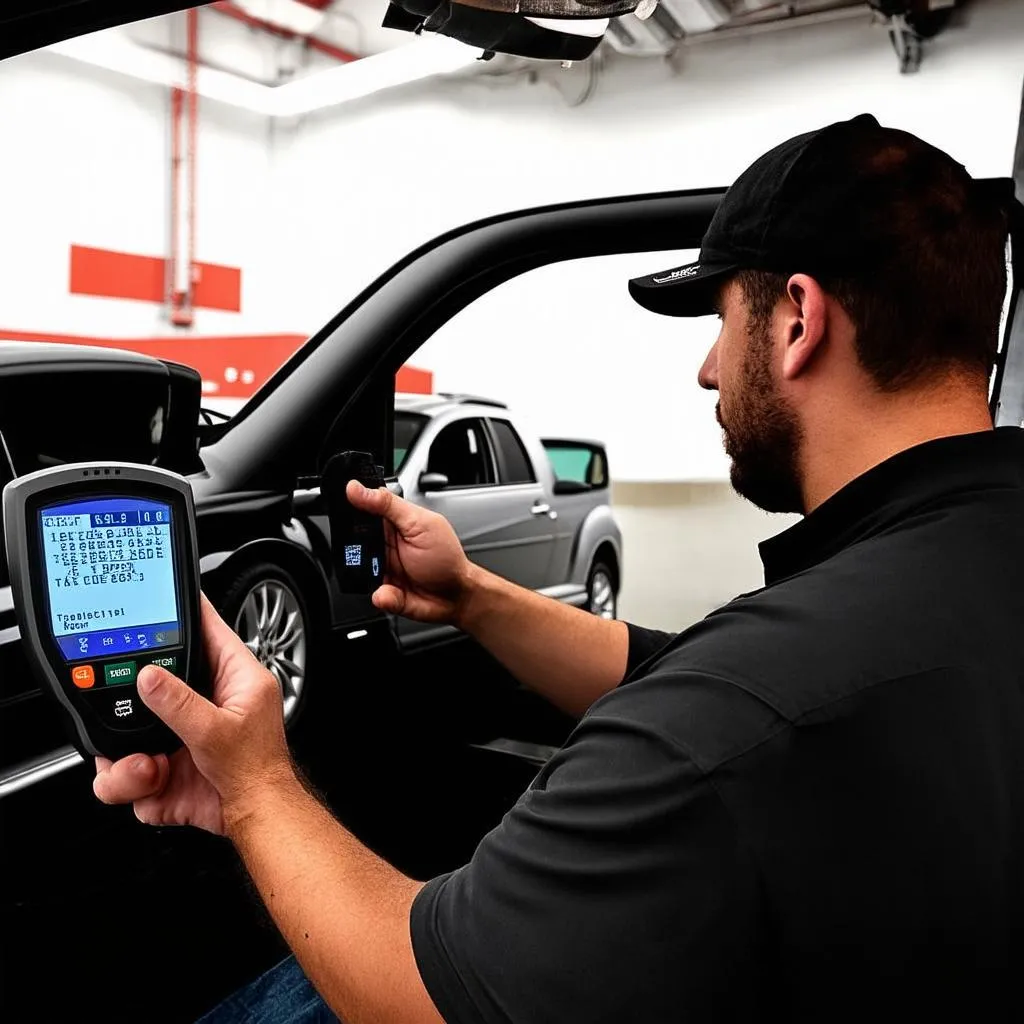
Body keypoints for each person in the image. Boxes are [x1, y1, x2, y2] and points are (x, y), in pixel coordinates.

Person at [94, 112, 1020, 1023]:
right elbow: (677, 675)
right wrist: (470, 596)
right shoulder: (940, 575)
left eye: (720, 320)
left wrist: (253, 787)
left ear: (796, 320)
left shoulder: (754, 701)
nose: (706, 370)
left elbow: (415, 1001)